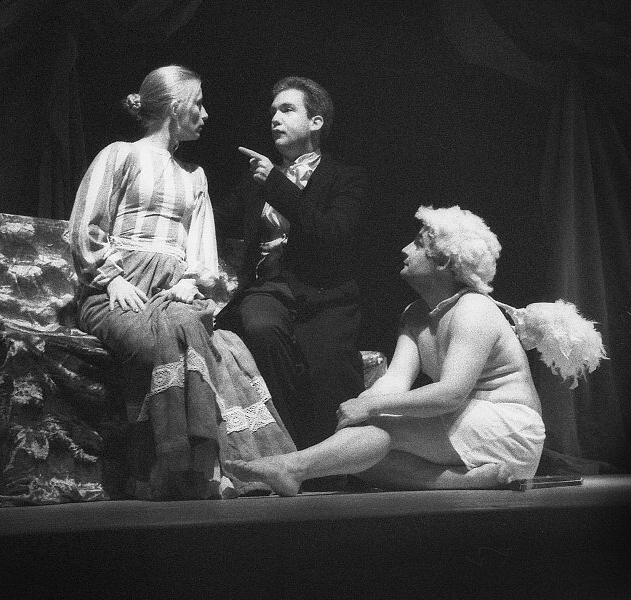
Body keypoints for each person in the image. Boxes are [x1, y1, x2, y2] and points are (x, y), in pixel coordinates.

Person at [68, 65, 295, 501]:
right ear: (175, 107)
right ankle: (178, 469)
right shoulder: (120, 155)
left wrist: (192, 283)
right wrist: (110, 279)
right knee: (180, 335)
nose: (205, 114)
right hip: (120, 291)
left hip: (173, 294)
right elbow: (86, 226)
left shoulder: (195, 175)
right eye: (199, 104)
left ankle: (233, 468)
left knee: (228, 347)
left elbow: (200, 249)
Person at [225, 205, 549, 495]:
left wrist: (371, 409)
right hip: (466, 432)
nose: (405, 249)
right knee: (359, 457)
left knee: (376, 430)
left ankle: (292, 467)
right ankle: (467, 481)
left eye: (418, 244)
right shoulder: (416, 314)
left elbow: (451, 393)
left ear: (443, 261)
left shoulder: (473, 309)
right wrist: (360, 408)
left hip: (512, 431)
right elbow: (395, 380)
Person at [215, 76, 367, 451]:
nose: (274, 119)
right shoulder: (257, 179)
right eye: (272, 112)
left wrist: (276, 185)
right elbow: (215, 219)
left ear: (316, 122)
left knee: (329, 367)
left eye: (286, 109)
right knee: (261, 327)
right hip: (268, 289)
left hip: (325, 294)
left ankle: (328, 466)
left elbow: (332, 232)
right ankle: (281, 449)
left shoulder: (345, 178)